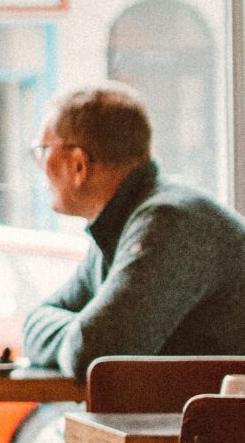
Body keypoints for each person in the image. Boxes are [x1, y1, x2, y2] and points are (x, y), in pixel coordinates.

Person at [21, 85, 245, 377]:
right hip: (189, 416)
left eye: (44, 150)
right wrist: (75, 335)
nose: (40, 165)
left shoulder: (168, 223)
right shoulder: (121, 226)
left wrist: (77, 336)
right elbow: (37, 320)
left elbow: (97, 351)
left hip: (216, 421)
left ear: (79, 164)